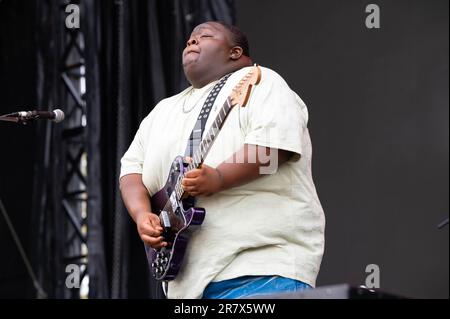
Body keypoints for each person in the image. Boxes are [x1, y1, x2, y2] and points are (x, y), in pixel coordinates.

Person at [119, 21, 325, 299]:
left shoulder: (262, 81)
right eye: (189, 40)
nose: (191, 42)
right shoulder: (161, 112)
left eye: (204, 37)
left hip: (260, 267)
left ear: (235, 52)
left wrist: (219, 178)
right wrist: (142, 214)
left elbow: (274, 152)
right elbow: (131, 172)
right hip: (187, 285)